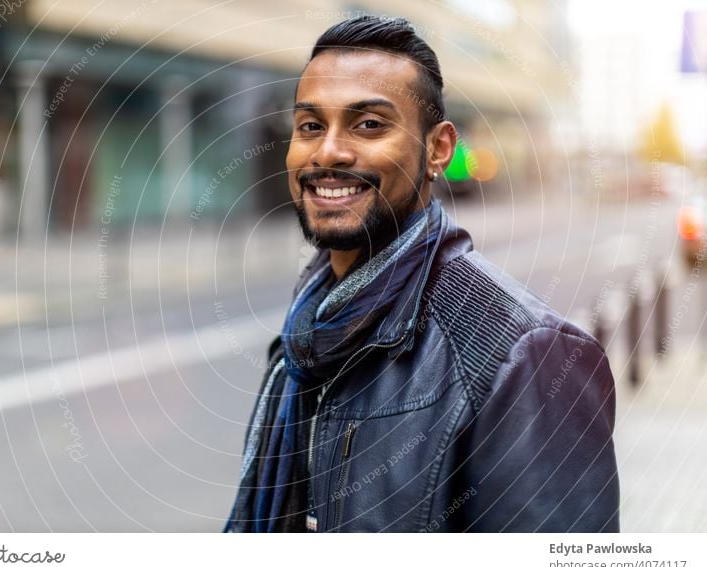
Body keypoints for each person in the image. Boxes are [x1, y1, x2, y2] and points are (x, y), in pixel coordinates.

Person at [224, 15, 619, 533]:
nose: (328, 152)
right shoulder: (308, 336)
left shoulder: (525, 356)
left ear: (438, 150)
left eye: (369, 124)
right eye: (311, 126)